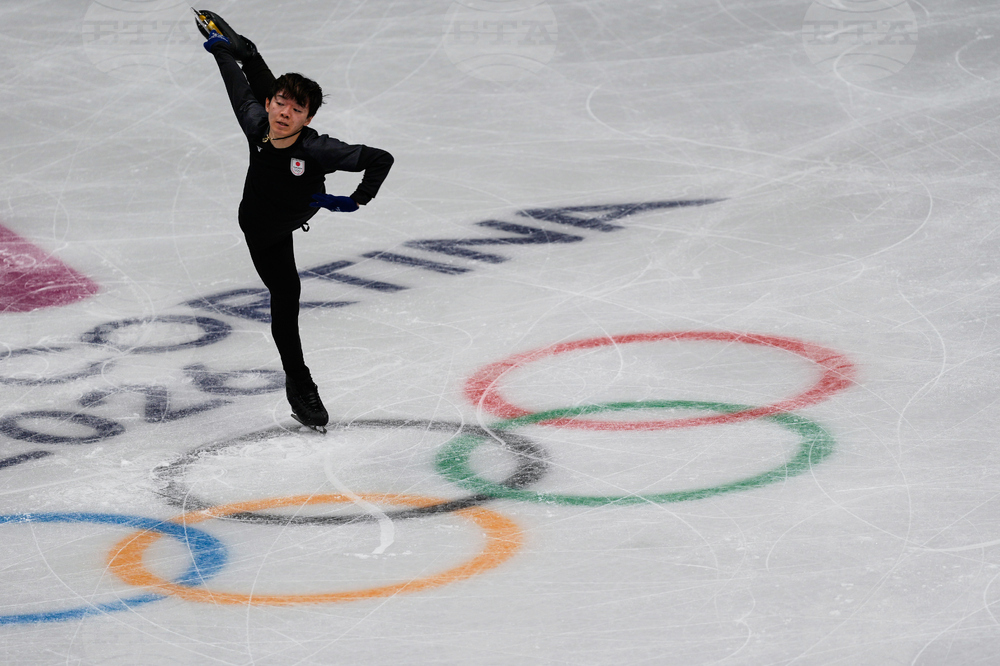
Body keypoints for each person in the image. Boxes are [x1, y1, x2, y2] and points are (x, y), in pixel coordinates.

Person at [195, 10, 394, 431]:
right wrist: (221, 50)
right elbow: (234, 82)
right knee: (286, 297)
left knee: (289, 300)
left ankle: (250, 51)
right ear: (269, 103)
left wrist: (356, 199)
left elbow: (380, 159)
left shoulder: (318, 149)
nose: (284, 111)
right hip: (261, 229)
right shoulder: (257, 121)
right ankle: (299, 381)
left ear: (309, 119)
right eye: (279, 102)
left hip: (294, 211)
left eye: (296, 108)